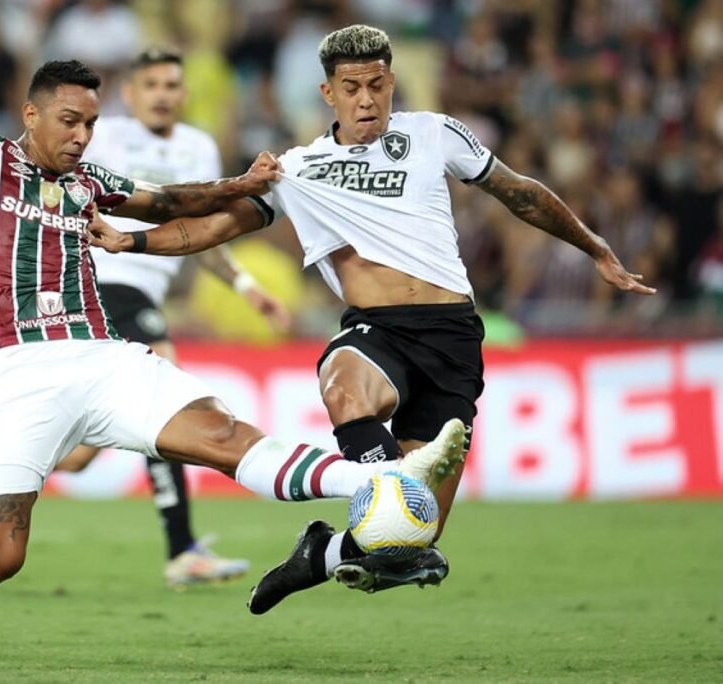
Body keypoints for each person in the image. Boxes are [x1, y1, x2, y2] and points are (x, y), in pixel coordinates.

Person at [0, 50, 466, 670]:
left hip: (105, 357)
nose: (81, 137)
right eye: (68, 121)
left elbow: (169, 202)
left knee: (224, 435)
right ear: (30, 114)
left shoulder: (90, 181)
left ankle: (385, 482)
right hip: (20, 370)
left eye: (90, 123)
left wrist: (241, 187)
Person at [88, 24, 657, 614]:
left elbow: (519, 192)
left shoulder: (435, 134)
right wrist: (129, 243)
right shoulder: (297, 168)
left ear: (393, 84)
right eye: (352, 87)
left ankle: (320, 554)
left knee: (412, 537)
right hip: (376, 330)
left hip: (453, 337)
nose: (367, 100)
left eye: (378, 85)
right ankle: (380, 490)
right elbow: (210, 229)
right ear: (328, 93)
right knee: (344, 384)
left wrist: (594, 247)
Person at [0, 47, 291, 589]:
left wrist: (242, 275)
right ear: (134, 92)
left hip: (122, 303)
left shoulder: (195, 147)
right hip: (100, 292)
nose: (163, 94)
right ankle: (182, 546)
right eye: (153, 84)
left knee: (74, 462)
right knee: (164, 381)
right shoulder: (94, 137)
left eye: (172, 84)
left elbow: (184, 215)